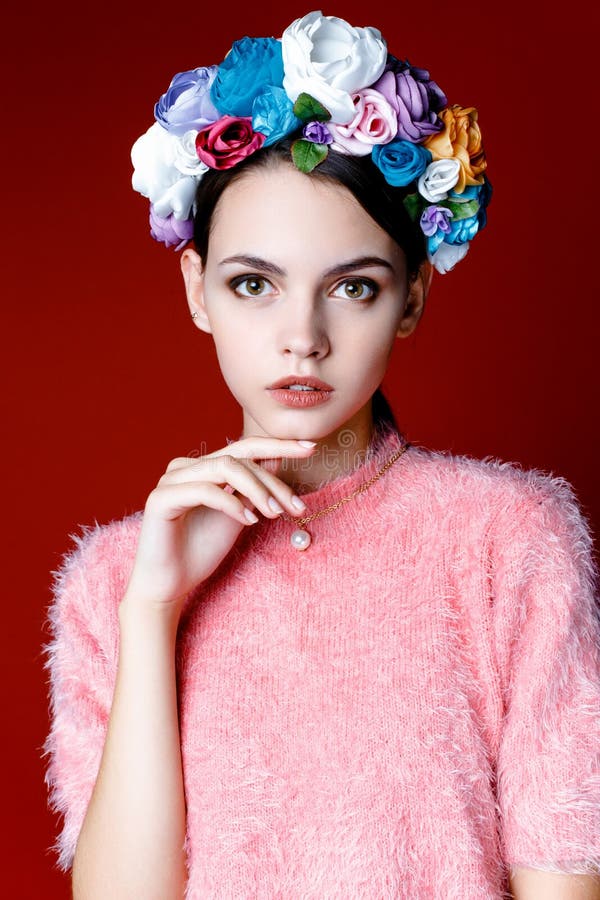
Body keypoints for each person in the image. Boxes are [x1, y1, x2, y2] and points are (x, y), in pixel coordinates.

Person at [42, 11, 600, 899]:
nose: (302, 338)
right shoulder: (112, 582)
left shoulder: (510, 540)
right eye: (253, 284)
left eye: (353, 287)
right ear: (198, 292)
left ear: (412, 297)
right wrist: (154, 611)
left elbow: (564, 880)